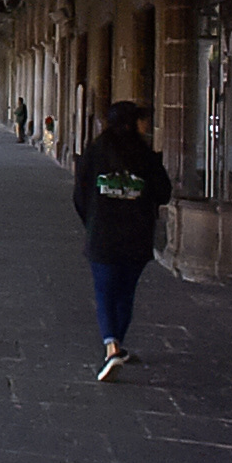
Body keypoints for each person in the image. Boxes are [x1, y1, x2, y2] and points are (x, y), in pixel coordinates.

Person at [73, 101, 171, 382]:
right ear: (132, 123)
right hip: (137, 237)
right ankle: (117, 346)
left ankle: (112, 346)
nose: (146, 125)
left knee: (105, 291)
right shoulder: (146, 156)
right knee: (125, 292)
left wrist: (92, 221)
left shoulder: (94, 153)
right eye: (142, 120)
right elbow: (163, 193)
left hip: (103, 235)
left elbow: (79, 195)